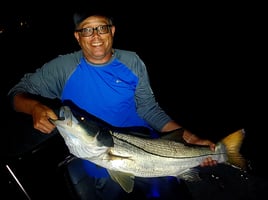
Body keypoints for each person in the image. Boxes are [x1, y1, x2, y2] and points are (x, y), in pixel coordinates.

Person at [8, 8, 217, 200]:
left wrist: (193, 139)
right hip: (95, 154)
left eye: (101, 28)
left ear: (112, 31)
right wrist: (34, 107)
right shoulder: (63, 67)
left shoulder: (132, 61)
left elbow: (149, 110)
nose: (96, 36)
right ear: (77, 36)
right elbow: (16, 94)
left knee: (171, 194)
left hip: (146, 144)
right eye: (87, 30)